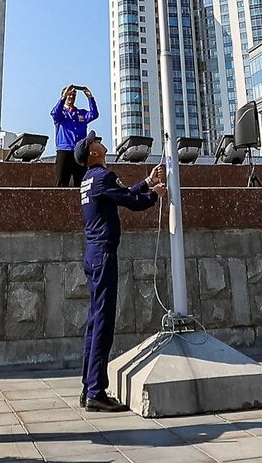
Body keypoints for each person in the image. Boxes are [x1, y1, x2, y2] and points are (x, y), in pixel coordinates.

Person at [75, 131, 163, 412]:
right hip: (103, 255)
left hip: (93, 254)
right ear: (93, 153)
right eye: (95, 141)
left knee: (93, 322)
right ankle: (96, 392)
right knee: (103, 323)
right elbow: (131, 202)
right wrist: (154, 195)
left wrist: (147, 182)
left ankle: (87, 386)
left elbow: (120, 194)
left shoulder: (89, 180)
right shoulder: (103, 176)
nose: (99, 140)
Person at [52, 84, 100, 186]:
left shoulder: (80, 113)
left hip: (79, 151)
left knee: (81, 182)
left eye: (73, 95)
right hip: (64, 150)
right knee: (61, 182)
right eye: (69, 94)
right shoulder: (61, 113)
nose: (71, 97)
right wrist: (62, 98)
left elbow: (94, 114)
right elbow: (55, 113)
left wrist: (90, 98)